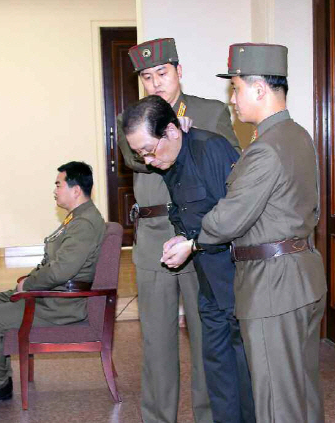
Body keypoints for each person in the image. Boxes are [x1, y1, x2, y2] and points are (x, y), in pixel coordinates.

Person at [162, 43, 328, 423]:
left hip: (273, 285)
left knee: (275, 400)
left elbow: (227, 220)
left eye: (235, 88)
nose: (232, 99)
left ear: (259, 89)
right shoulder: (296, 135)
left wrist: (191, 240)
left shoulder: (266, 149)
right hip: (301, 275)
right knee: (302, 390)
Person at [117, 37, 241, 423]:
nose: (156, 83)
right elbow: (133, 156)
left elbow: (231, 167)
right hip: (154, 234)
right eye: (147, 77)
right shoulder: (134, 120)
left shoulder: (211, 111)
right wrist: (167, 132)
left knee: (207, 335)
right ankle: (157, 418)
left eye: (163, 73)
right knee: (156, 338)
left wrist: (189, 136)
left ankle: (209, 416)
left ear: (179, 72)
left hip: (198, 237)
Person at [0, 161, 106, 409]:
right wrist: (27, 282)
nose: (54, 190)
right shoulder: (77, 217)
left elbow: (61, 270)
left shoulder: (84, 224)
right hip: (51, 294)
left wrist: (29, 284)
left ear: (75, 190)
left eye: (58, 184)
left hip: (59, 304)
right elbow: (54, 261)